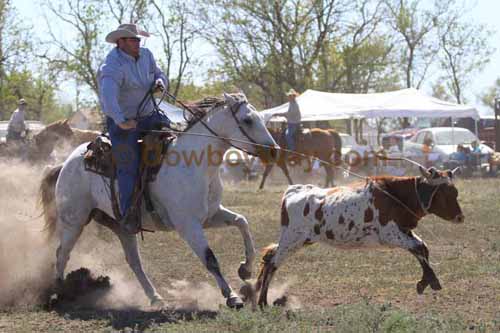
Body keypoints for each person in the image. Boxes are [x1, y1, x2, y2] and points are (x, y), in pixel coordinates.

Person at [98, 23, 171, 234]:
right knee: (128, 164)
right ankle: (129, 213)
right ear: (121, 42)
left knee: (175, 140)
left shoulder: (147, 55)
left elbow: (160, 74)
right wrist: (121, 120)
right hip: (123, 121)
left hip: (149, 115)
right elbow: (108, 97)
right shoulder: (112, 65)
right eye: (133, 39)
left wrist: (160, 82)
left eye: (138, 39)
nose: (138, 43)